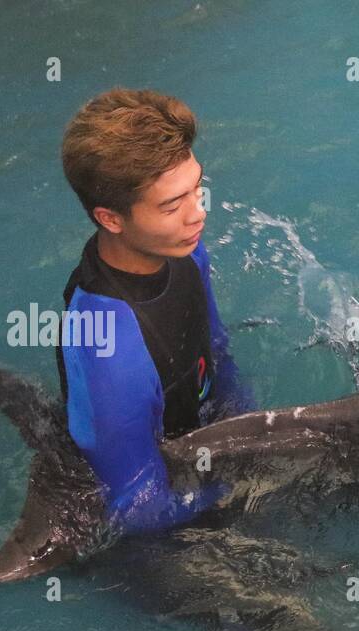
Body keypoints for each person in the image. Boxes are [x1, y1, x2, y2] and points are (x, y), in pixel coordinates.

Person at [58, 88, 254, 533]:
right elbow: (136, 508)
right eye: (172, 205)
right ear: (111, 219)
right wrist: (235, 488)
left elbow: (217, 353)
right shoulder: (107, 344)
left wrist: (252, 439)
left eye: (196, 189)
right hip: (159, 536)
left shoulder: (183, 249)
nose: (198, 214)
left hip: (200, 466)